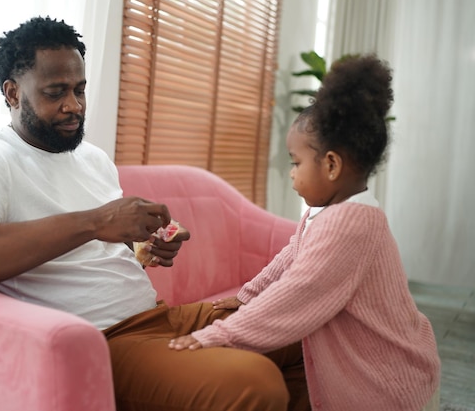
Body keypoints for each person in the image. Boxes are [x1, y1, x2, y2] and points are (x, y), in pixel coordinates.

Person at [0, 16, 310, 411]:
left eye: (79, 90)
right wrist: (97, 221)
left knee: (308, 332)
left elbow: (97, 250)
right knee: (253, 385)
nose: (74, 106)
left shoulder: (93, 159)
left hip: (159, 318)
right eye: (56, 93)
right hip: (106, 341)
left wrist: (144, 247)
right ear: (13, 93)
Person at [169, 54, 441, 411]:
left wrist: (217, 335)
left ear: (330, 164)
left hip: (389, 384)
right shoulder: (331, 212)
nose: (292, 174)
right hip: (387, 370)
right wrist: (247, 295)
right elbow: (291, 257)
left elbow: (299, 292)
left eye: (296, 163)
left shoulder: (351, 225)